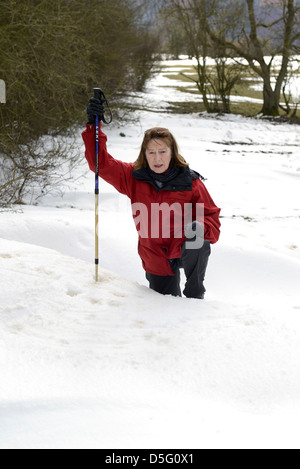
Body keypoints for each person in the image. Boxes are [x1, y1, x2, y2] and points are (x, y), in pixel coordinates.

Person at [82, 97, 221, 299]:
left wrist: (200, 226)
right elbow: (100, 164)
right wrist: (93, 126)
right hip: (155, 256)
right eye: (152, 152)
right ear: (144, 154)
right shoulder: (134, 177)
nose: (157, 158)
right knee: (163, 303)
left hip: (182, 246)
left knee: (198, 240)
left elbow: (212, 221)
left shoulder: (190, 182)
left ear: (172, 153)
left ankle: (195, 295)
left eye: (163, 152)